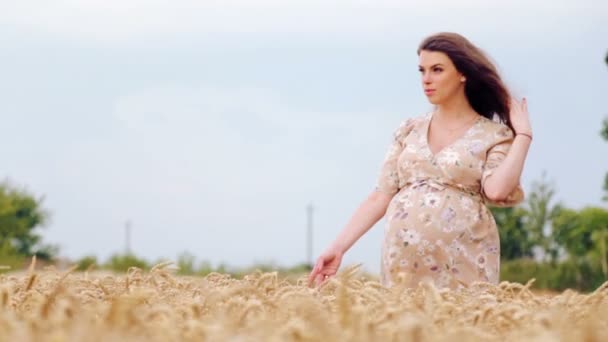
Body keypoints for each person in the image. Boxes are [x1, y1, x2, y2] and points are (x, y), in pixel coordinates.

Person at [308, 32, 532, 290]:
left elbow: (497, 189)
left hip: (464, 259)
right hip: (402, 263)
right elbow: (380, 196)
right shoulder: (408, 130)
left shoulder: (492, 135)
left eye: (437, 70)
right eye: (422, 71)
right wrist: (337, 248)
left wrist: (523, 135)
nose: (426, 79)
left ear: (463, 73)